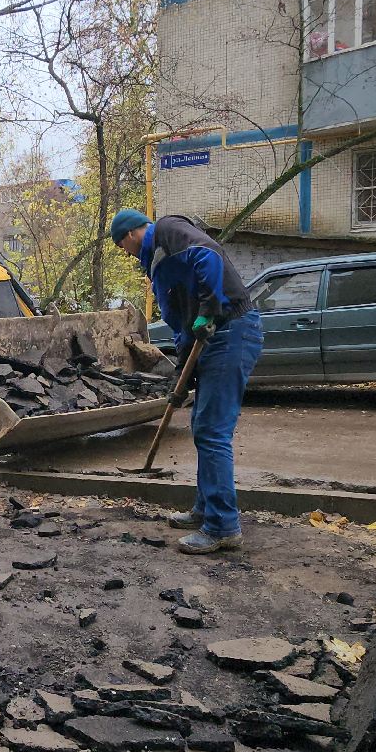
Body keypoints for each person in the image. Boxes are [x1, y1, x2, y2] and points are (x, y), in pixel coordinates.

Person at [109, 208, 262, 554]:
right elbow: (181, 324)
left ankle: (222, 527)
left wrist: (209, 310)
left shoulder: (167, 230)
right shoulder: (158, 261)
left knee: (212, 429)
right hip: (210, 341)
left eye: (122, 245)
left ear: (131, 234)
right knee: (201, 424)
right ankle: (206, 508)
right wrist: (183, 372)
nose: (125, 252)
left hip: (230, 332)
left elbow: (208, 257)